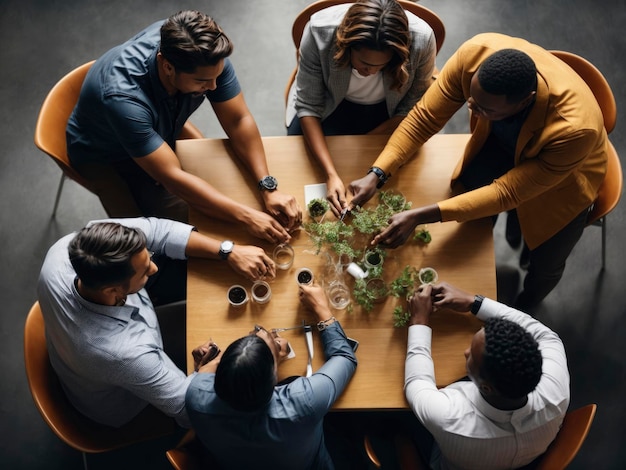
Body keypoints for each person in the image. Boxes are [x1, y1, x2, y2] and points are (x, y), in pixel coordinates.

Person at [348, 33, 608, 309]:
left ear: (524, 102)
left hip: (563, 183)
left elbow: (507, 192)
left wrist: (420, 216)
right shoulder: (474, 54)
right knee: (474, 214)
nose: (470, 107)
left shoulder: (575, 130)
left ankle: (525, 308)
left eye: (483, 108)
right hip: (499, 145)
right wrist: (377, 173)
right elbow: (424, 118)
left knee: (545, 260)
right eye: (471, 98)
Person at [67, 10, 301, 243]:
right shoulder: (123, 100)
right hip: (104, 155)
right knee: (142, 239)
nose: (213, 86)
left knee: (225, 184)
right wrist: (248, 217)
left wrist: (268, 187)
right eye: (202, 81)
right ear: (167, 67)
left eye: (217, 76)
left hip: (159, 125)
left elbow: (237, 120)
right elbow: (173, 177)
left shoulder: (203, 55)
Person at [37, 217, 275, 428]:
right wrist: (204, 372)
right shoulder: (125, 354)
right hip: (123, 404)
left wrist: (228, 251)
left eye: (148, 257)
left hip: (82, 361)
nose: (154, 266)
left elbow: (158, 230)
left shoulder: (66, 250)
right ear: (114, 290)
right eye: (144, 271)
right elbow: (190, 412)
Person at [287, 0, 436, 216]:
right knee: (297, 169)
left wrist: (368, 151)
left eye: (381, 65)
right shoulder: (319, 30)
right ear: (346, 46)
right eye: (364, 63)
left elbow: (413, 106)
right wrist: (330, 174)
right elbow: (309, 104)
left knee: (402, 180)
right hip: (329, 104)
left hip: (388, 112)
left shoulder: (422, 39)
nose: (371, 71)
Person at [185, 283, 358, 469]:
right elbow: (345, 358)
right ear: (274, 379)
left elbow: (204, 372)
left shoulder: (195, 395)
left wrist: (242, 358)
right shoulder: (303, 400)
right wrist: (321, 308)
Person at [404, 281, 569, 469]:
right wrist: (472, 302)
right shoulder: (556, 387)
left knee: (399, 421)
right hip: (528, 459)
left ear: (485, 386)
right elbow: (545, 335)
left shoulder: (450, 418)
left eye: (472, 356)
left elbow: (417, 383)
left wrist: (419, 320)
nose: (466, 352)